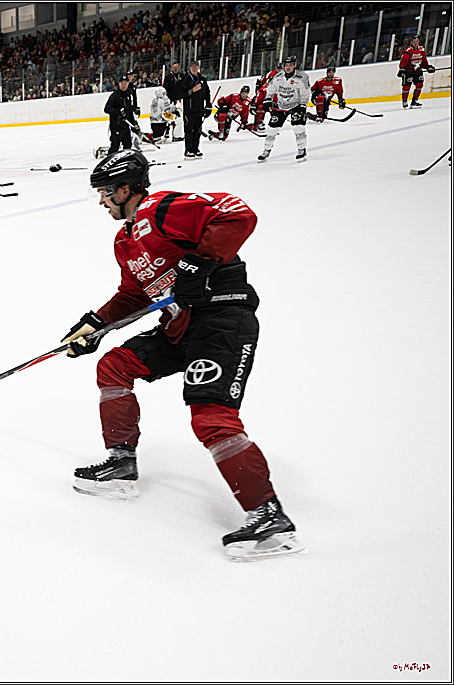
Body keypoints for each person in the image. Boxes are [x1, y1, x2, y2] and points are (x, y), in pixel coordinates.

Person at [61, 148, 304, 561]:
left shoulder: (163, 207)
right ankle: (121, 462)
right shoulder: (125, 239)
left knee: (210, 416)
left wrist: (200, 263)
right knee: (114, 366)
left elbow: (237, 213)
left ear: (125, 188)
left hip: (221, 321)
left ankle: (269, 518)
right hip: (179, 327)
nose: (101, 202)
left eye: (104, 192)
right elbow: (134, 294)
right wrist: (94, 323)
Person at [258, 55, 311, 163]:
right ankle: (266, 151)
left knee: (298, 127)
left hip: (296, 105)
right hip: (281, 105)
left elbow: (305, 94)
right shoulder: (278, 77)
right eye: (286, 65)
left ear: (295, 65)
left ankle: (302, 150)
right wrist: (268, 100)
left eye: (291, 65)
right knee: (272, 129)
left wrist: (302, 107)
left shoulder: (302, 78)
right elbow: (271, 90)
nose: (288, 67)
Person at [104, 74, 140, 154]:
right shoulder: (114, 96)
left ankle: (124, 162)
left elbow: (129, 111)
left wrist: (134, 123)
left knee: (127, 145)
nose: (123, 85)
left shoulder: (128, 95)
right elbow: (107, 109)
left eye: (125, 83)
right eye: (122, 83)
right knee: (115, 146)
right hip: (116, 125)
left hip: (125, 126)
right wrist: (118, 111)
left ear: (128, 83)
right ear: (119, 83)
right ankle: (109, 163)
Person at [182, 62, 211, 159]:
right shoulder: (186, 79)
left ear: (199, 67)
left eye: (196, 67)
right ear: (190, 68)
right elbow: (180, 93)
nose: (194, 68)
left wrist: (208, 105)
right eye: (192, 67)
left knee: (198, 130)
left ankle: (195, 148)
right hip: (189, 110)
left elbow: (207, 93)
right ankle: (188, 150)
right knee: (189, 130)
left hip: (199, 109)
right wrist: (192, 90)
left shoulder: (202, 79)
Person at [398, 34, 435, 109]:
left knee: (419, 85)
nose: (416, 43)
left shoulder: (421, 49)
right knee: (406, 87)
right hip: (408, 72)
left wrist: (427, 67)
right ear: (411, 42)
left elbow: (423, 60)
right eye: (414, 41)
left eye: (417, 41)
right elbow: (403, 61)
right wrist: (402, 69)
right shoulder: (408, 51)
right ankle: (404, 101)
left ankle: (414, 101)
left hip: (418, 72)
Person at [251, 64, 281, 132]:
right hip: (263, 101)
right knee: (260, 107)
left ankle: (275, 122)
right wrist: (255, 104)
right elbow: (258, 98)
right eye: (279, 69)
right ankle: (259, 122)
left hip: (272, 101)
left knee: (276, 109)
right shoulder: (265, 87)